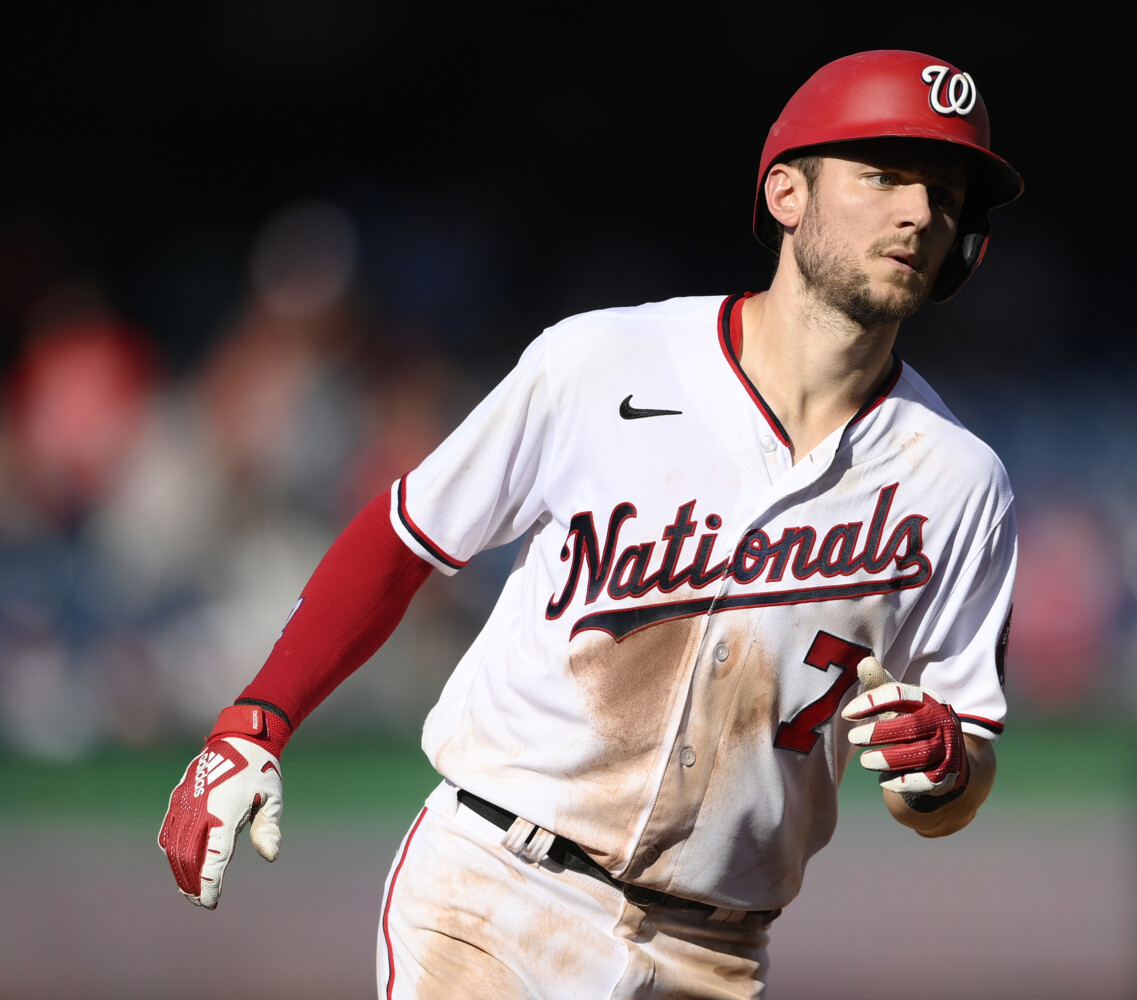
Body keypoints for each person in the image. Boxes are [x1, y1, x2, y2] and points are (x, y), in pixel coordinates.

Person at [159, 49, 1023, 998]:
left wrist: (943, 773)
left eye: (945, 197)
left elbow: (953, 777)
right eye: (886, 175)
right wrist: (254, 721)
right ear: (786, 192)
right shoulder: (605, 360)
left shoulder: (958, 479)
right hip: (494, 890)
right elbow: (406, 536)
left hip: (717, 951)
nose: (919, 214)